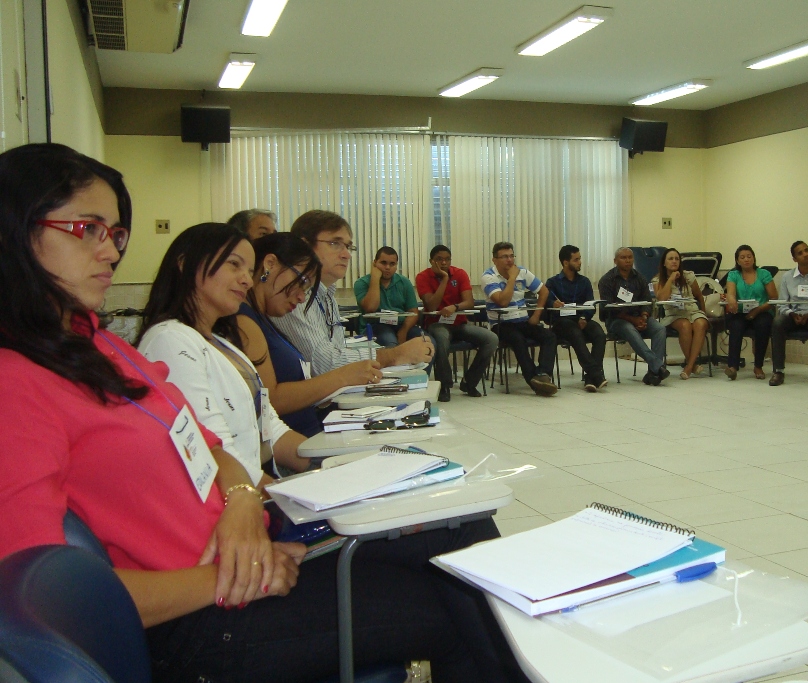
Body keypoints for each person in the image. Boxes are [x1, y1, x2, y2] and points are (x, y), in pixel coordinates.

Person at [0, 143, 529, 683]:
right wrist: (235, 574)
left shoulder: (100, 349)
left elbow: (208, 444)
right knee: (457, 600)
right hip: (202, 616)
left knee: (460, 530)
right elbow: (45, 600)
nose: (110, 252)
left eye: (115, 234)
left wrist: (241, 504)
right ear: (16, 229)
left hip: (249, 540)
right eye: (87, 229)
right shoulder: (15, 382)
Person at [137, 224, 310, 481]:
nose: (247, 280)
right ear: (186, 264)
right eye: (234, 264)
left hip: (257, 489)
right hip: (234, 502)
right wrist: (282, 497)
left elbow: (269, 428)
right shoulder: (170, 340)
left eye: (250, 271)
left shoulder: (221, 343)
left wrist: (329, 462)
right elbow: (214, 451)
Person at [237, 232, 383, 436]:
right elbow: (270, 400)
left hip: (310, 435)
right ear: (270, 263)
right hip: (301, 443)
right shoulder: (245, 322)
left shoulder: (263, 319)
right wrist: (342, 377)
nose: (300, 297)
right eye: (301, 282)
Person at [272, 210, 434, 375]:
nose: (346, 255)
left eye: (348, 247)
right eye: (335, 243)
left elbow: (336, 351)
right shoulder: (294, 296)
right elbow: (323, 365)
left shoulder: (327, 295)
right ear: (304, 246)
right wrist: (395, 354)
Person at [416, 244, 498, 401]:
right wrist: (445, 279)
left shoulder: (460, 274)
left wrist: (455, 306)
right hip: (436, 324)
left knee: (491, 339)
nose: (444, 263)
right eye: (439, 260)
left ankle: (469, 382)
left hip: (459, 324)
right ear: (431, 261)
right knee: (440, 339)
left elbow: (469, 302)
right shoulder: (423, 277)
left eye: (447, 259)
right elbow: (431, 305)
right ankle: (444, 386)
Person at [482, 242, 558, 396]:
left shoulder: (523, 272)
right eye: (504, 257)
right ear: (494, 260)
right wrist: (512, 279)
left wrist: (536, 315)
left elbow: (544, 291)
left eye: (511, 256)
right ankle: (533, 380)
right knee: (517, 339)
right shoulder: (488, 277)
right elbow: (502, 301)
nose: (509, 260)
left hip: (522, 320)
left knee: (549, 336)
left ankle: (543, 375)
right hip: (501, 323)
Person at [598, 247, 669, 386]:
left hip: (639, 317)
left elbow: (648, 301)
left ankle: (653, 373)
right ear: (615, 261)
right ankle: (657, 365)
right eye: (623, 258)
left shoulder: (640, 278)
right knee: (630, 328)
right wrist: (633, 320)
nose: (628, 260)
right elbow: (609, 309)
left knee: (660, 328)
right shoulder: (607, 280)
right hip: (616, 321)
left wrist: (644, 315)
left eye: (630, 257)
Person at [769, 241, 808, 387]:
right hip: (794, 315)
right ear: (794, 259)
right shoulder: (787, 277)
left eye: (807, 250)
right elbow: (782, 304)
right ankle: (778, 370)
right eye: (800, 253)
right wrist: (791, 314)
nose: (805, 254)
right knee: (778, 322)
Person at [545, 245, 608, 392]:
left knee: (599, 333)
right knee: (574, 332)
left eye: (580, 259)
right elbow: (546, 301)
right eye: (576, 259)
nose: (580, 262)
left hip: (580, 319)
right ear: (566, 262)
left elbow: (590, 305)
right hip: (561, 322)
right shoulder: (553, 282)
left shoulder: (584, 282)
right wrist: (553, 303)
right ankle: (596, 374)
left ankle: (591, 378)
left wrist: (585, 318)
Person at [651, 248, 709, 380]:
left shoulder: (688, 275)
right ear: (664, 263)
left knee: (701, 323)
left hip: (692, 310)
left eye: (677, 259)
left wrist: (703, 313)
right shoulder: (657, 279)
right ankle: (691, 365)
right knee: (685, 325)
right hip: (673, 314)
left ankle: (689, 366)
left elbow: (699, 297)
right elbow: (661, 298)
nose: (674, 261)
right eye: (670, 259)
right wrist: (671, 279)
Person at [723, 245, 778, 380]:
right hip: (741, 311)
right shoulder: (733, 274)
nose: (746, 259)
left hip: (762, 310)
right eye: (742, 257)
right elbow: (730, 294)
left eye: (749, 256)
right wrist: (732, 301)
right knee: (736, 326)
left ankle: (758, 366)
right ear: (737, 260)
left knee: (763, 325)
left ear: (754, 258)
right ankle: (733, 367)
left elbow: (774, 298)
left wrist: (757, 310)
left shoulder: (764, 274)